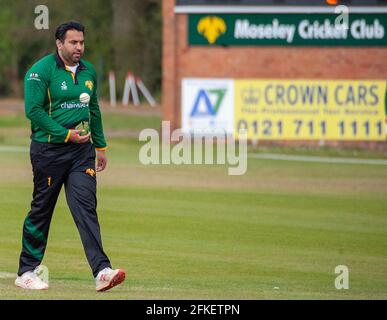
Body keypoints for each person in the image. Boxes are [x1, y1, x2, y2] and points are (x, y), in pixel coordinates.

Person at [15, 21, 125, 292]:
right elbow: (34, 112)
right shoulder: (40, 72)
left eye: (82, 42)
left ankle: (102, 270)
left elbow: (94, 109)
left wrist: (100, 147)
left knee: (85, 207)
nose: (79, 47)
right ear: (59, 43)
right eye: (73, 42)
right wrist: (65, 134)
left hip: (81, 154)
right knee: (42, 210)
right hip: (48, 151)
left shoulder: (89, 72)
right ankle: (26, 271)